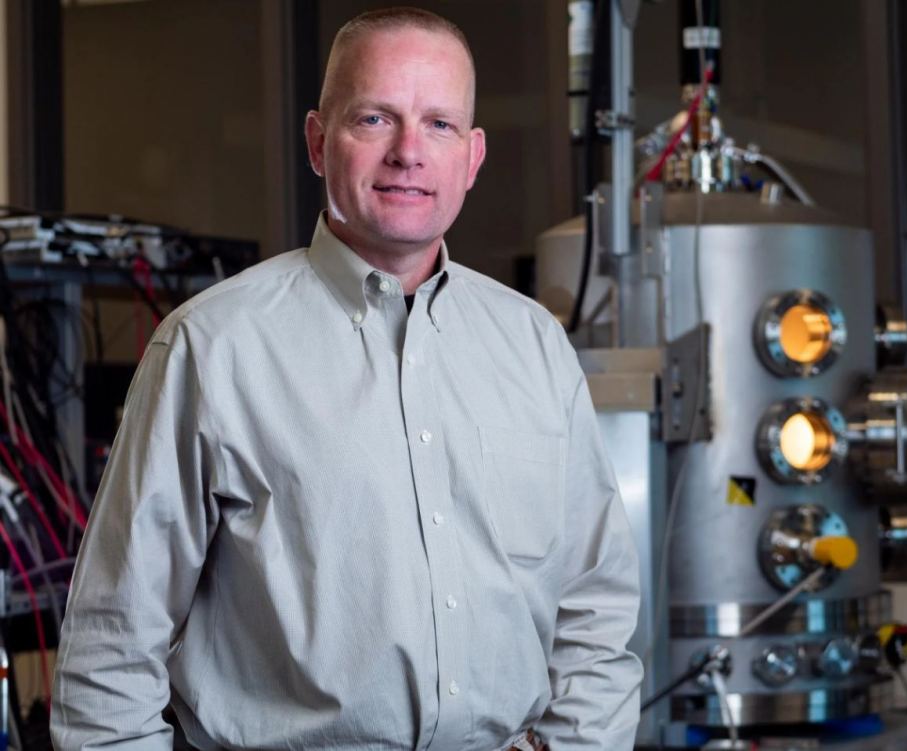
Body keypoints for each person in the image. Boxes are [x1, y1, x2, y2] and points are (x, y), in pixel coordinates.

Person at [51, 7, 642, 750]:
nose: (408, 153)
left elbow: (595, 609)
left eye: (439, 125)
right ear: (317, 142)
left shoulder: (534, 347)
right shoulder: (212, 347)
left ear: (473, 155)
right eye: (374, 118)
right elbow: (112, 644)